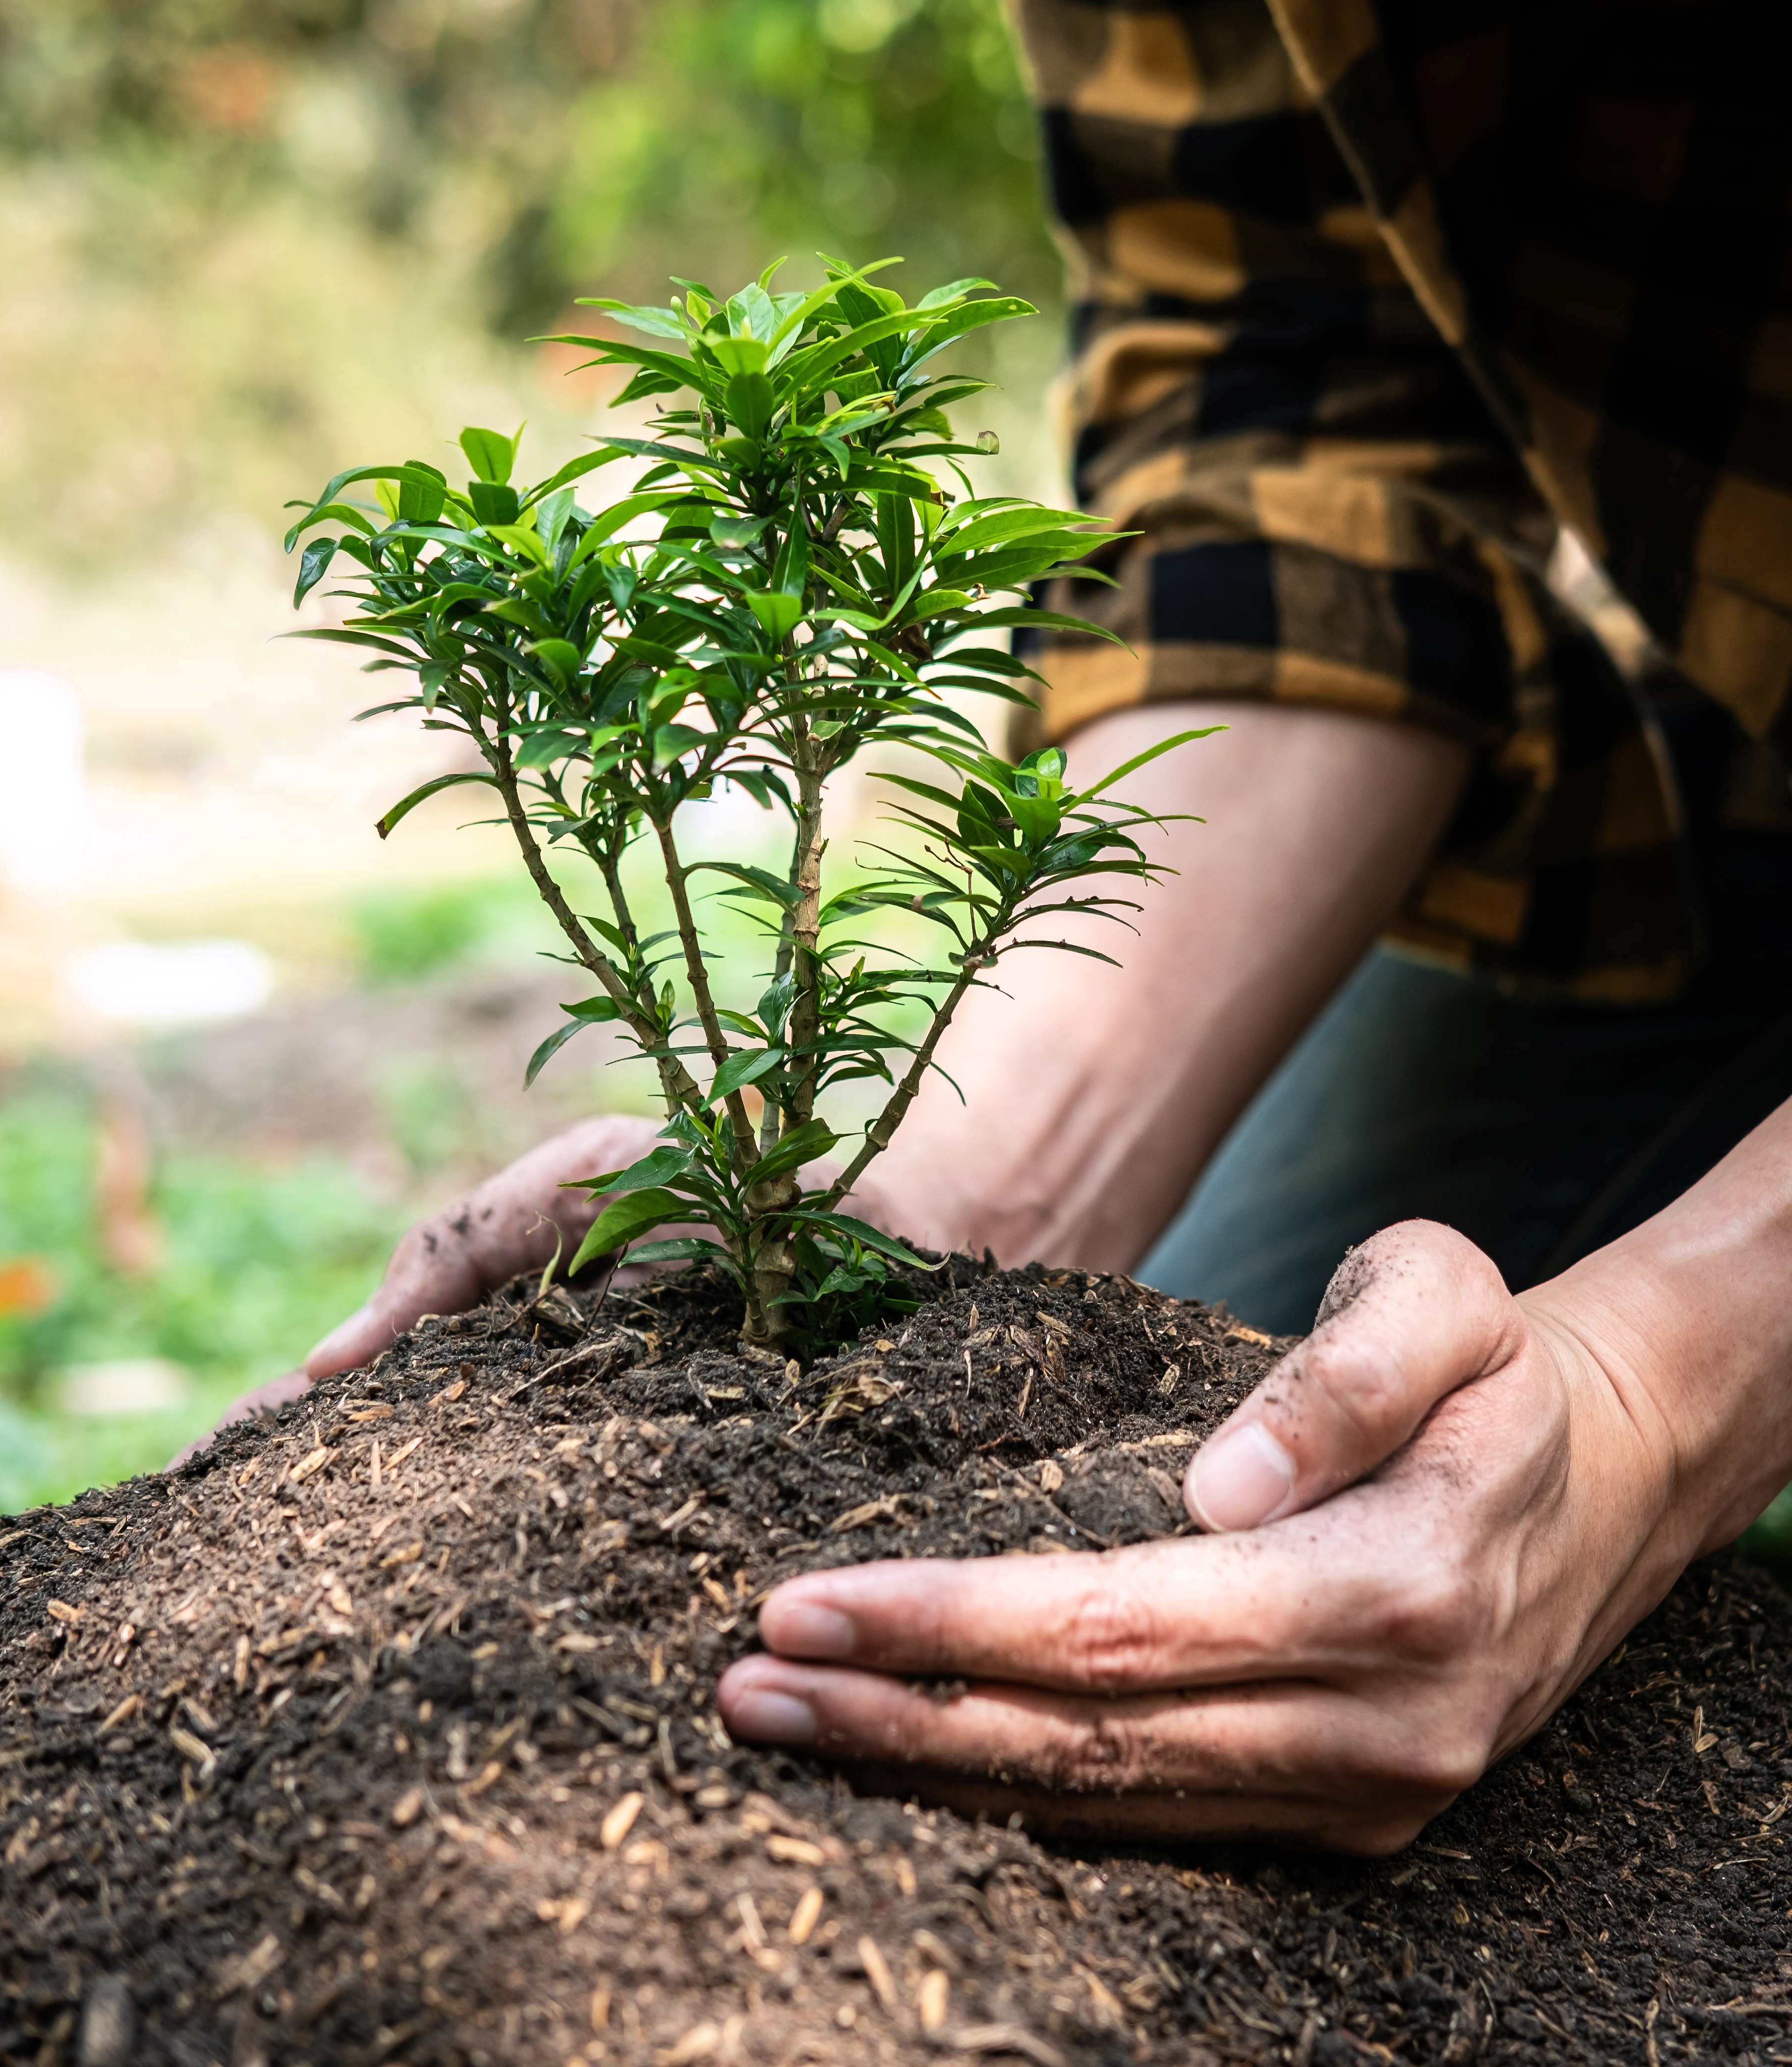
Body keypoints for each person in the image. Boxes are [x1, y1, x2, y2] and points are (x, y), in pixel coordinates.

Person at [197, 0, 1792, 1852]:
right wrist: (972, 1185)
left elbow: (1637, 1401)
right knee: (1186, 1431)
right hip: (1727, 770)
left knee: (1402, 1502)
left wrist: (1654, 1393)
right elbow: (1306, 420)